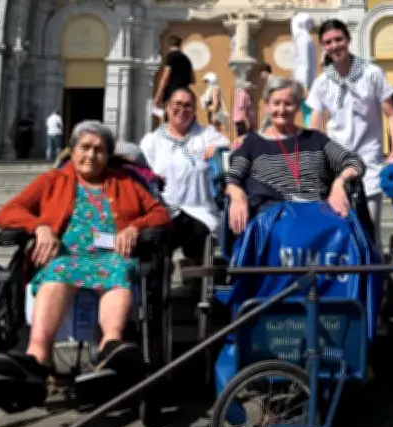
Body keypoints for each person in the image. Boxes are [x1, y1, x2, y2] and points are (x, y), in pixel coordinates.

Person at [0, 120, 172, 380]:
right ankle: (37, 355)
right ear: (72, 150)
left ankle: (110, 346)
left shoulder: (124, 182)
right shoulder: (52, 180)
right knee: (57, 271)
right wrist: (39, 227)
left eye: (99, 150)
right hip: (65, 256)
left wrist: (135, 227)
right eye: (85, 147)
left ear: (108, 156)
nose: (91, 155)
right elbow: (8, 212)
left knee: (118, 270)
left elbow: (160, 214)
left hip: (111, 256)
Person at [306, 19, 393, 250]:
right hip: (336, 162)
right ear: (323, 46)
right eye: (328, 42)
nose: (334, 46)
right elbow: (316, 122)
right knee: (339, 229)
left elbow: (391, 114)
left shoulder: (372, 73)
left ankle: (374, 268)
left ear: (348, 39)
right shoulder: (322, 82)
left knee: (370, 229)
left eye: (338, 39)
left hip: (368, 159)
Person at [226, 76, 365, 235]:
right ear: (267, 106)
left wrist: (339, 183)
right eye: (276, 103)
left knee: (344, 231)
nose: (282, 110)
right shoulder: (252, 143)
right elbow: (233, 178)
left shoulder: (315, 139)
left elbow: (354, 161)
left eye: (288, 103)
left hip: (318, 214)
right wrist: (237, 195)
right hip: (275, 218)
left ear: (298, 106)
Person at [140, 87, 230, 270]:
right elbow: (142, 175)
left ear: (194, 109)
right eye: (177, 104)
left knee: (199, 238)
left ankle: (195, 283)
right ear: (167, 107)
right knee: (156, 243)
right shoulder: (152, 141)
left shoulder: (207, 135)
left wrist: (219, 150)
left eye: (188, 105)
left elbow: (231, 151)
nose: (182, 109)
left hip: (200, 212)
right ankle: (159, 284)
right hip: (164, 212)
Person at [290, 13, 317, 127]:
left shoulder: (302, 39)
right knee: (307, 113)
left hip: (302, 83)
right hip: (305, 82)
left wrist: (304, 85)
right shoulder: (307, 38)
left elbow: (304, 63)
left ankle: (311, 134)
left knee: (307, 114)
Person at [154, 35, 194, 109]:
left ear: (168, 45)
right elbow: (192, 80)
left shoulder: (170, 56)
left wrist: (158, 97)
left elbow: (165, 77)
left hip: (172, 94)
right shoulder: (186, 59)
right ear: (180, 44)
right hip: (184, 94)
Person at [258, 63, 273, 130]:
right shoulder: (268, 81)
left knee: (263, 128)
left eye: (261, 73)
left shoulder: (271, 81)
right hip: (269, 110)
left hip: (270, 110)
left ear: (265, 71)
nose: (260, 75)